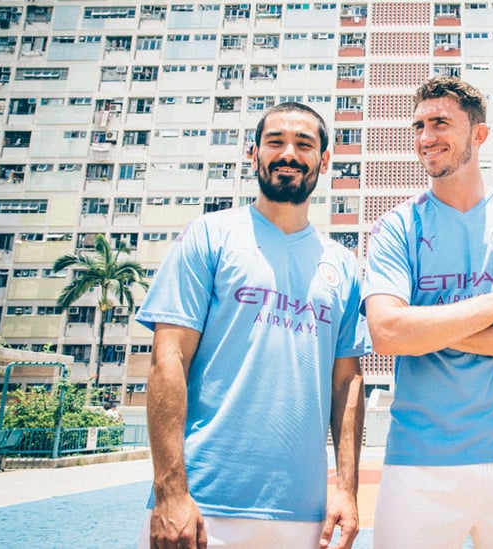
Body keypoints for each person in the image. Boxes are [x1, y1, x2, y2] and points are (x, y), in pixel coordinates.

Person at [135, 102, 368, 549]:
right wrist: (170, 491)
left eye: (304, 144)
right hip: (202, 507)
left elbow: (347, 384)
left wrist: (347, 490)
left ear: (323, 161)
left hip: (306, 515)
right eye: (275, 141)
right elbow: (169, 359)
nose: (288, 153)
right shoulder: (210, 235)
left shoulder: (342, 264)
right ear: (253, 153)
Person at [362, 76, 493, 549]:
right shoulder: (396, 228)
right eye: (418, 125)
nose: (425, 137)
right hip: (418, 461)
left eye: (440, 123)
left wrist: (428, 327)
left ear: (479, 135)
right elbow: (388, 333)